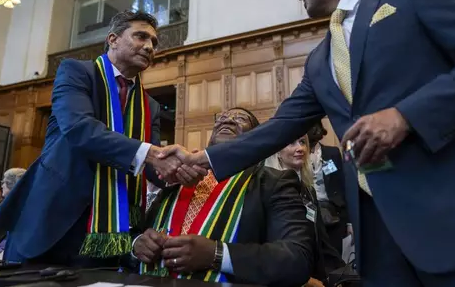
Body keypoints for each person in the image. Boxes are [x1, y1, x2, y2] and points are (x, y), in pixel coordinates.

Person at [162, 0, 455, 286]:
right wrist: (205, 160)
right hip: (383, 245)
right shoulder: (318, 60)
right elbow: (281, 126)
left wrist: (407, 115)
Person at [0, 11, 201, 266]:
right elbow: (79, 128)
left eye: (154, 42)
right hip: (50, 217)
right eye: (141, 37)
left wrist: (179, 171)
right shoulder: (77, 72)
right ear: (113, 39)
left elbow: (152, 171)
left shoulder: (150, 106)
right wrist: (154, 155)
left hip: (108, 231)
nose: (149, 46)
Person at [134, 108, 325, 287]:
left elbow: (296, 259)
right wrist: (138, 245)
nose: (228, 120)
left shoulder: (273, 183)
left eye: (240, 118)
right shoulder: (179, 179)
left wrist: (216, 254)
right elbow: (133, 238)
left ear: (257, 138)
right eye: (222, 118)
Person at [266, 133, 346, 285]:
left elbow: (321, 239)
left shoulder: (309, 190)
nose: (300, 148)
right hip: (285, 276)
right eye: (291, 143)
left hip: (313, 270)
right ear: (278, 152)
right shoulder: (267, 190)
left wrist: (340, 271)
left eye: (303, 142)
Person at [305, 123, 349, 255]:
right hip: (308, 214)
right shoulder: (298, 154)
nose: (314, 131)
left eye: (316, 127)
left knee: (335, 257)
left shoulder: (332, 153)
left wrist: (349, 222)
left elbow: (343, 186)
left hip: (334, 214)